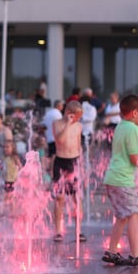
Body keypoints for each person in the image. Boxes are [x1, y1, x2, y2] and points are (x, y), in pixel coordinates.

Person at [102, 94, 138, 268]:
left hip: (112, 178)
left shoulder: (121, 126)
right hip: (122, 180)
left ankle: (111, 251)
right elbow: (134, 158)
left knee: (123, 216)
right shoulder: (132, 129)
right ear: (134, 113)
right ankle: (135, 255)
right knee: (133, 214)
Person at [52, 100, 84, 243]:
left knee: (76, 197)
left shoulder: (79, 126)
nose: (78, 119)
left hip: (74, 162)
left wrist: (81, 164)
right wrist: (68, 125)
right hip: (61, 162)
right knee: (60, 198)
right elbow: (60, 141)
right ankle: (58, 231)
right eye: (76, 116)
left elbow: (78, 145)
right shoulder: (57, 124)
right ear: (69, 114)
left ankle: (79, 230)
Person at [1, 140, 22, 207]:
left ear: (13, 148)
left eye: (7, 147)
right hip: (7, 180)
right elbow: (3, 168)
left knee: (10, 197)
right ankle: (8, 212)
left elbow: (20, 167)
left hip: (13, 181)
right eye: (4, 147)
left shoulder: (14, 157)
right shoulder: (5, 158)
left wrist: (19, 175)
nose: (5, 149)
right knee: (7, 197)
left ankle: (12, 213)